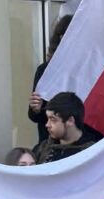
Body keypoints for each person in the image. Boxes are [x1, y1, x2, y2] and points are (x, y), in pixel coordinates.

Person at [28, 15, 72, 143]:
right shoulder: (45, 70)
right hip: (51, 144)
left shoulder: (91, 72)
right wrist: (36, 108)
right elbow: (34, 115)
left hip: (84, 145)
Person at [33, 92, 102, 163]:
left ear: (70, 121)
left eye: (53, 119)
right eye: (48, 119)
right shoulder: (42, 150)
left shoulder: (93, 153)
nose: (47, 125)